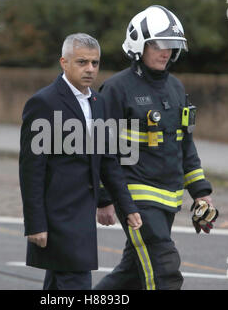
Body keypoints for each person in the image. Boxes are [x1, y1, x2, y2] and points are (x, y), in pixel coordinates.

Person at [94, 5, 219, 290]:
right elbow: (102, 147)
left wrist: (201, 194)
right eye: (159, 44)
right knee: (164, 271)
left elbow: (185, 144)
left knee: (131, 275)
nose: (166, 51)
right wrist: (103, 198)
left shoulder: (176, 88)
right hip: (136, 199)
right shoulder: (116, 88)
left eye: (172, 46)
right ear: (139, 44)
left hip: (168, 201)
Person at [19, 33, 142, 290]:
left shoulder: (98, 102)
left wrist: (127, 207)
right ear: (64, 63)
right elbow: (31, 170)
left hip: (83, 214)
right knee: (75, 282)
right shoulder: (44, 102)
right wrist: (35, 224)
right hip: (58, 217)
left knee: (59, 285)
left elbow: (108, 161)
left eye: (95, 63)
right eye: (82, 62)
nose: (90, 69)